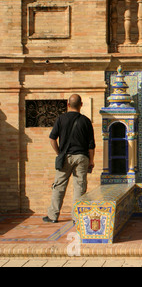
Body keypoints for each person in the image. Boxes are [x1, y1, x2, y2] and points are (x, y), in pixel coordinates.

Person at [43, 94, 95, 224]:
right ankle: (76, 217)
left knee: (59, 186)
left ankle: (53, 216)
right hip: (82, 157)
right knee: (79, 187)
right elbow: (91, 145)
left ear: (68, 104)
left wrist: (59, 152)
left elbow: (52, 139)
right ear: (81, 105)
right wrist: (91, 160)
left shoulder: (61, 119)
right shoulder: (86, 121)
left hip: (65, 156)